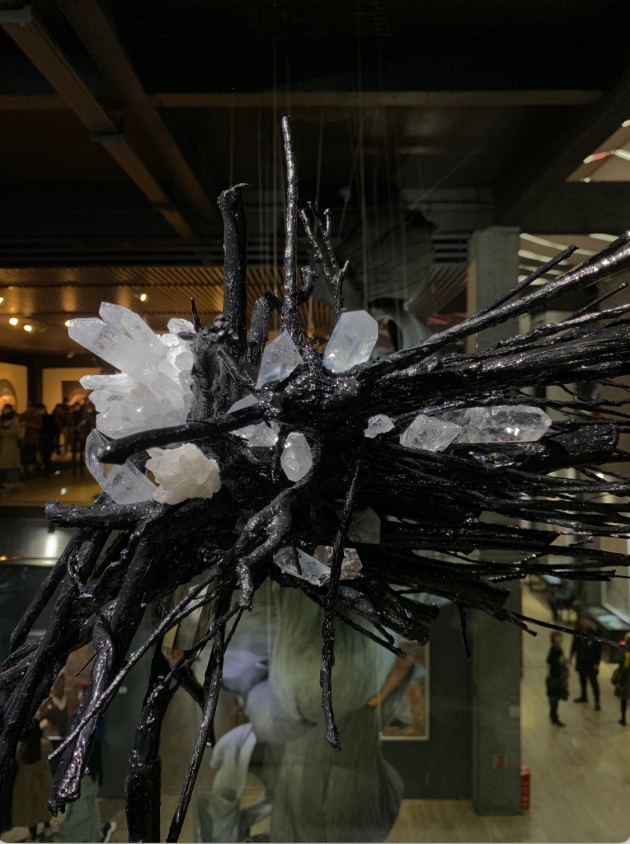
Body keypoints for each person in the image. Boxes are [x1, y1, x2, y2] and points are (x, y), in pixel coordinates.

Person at [11, 719, 53, 841]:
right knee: (43, 804)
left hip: (25, 781)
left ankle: (33, 834)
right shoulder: (45, 744)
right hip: (43, 778)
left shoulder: (18, 748)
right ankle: (47, 826)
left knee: (29, 807)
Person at [571, 616, 602, 710]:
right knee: (582, 680)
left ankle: (597, 702)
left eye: (585, 620)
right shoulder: (577, 631)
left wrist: (596, 663)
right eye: (581, 620)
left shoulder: (594, 633)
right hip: (581, 661)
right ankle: (584, 696)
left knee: (593, 682)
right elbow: (574, 644)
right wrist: (571, 655)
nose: (583, 622)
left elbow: (598, 650)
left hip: (591, 662)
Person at [546, 632, 569, 726]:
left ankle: (553, 715)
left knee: (554, 698)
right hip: (555, 677)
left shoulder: (557, 648)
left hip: (555, 677)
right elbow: (550, 661)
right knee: (554, 698)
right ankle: (554, 716)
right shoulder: (555, 649)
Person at [0, 404, 21, 487]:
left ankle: (14, 480)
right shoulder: (3, 420)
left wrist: (3, 432)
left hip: (12, 444)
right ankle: (9, 480)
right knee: (6, 464)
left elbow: (15, 432)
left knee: (11, 463)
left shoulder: (14, 420)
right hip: (4, 444)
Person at [19, 401, 42, 477]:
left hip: (33, 439)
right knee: (24, 454)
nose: (30, 409)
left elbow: (39, 427)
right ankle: (24, 469)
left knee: (32, 454)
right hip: (24, 438)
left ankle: (31, 469)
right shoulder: (23, 415)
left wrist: (29, 425)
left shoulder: (37, 416)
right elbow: (19, 424)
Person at [612, 631, 630, 726]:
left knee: (624, 699)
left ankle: (623, 718)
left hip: (625, 679)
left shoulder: (624, 653)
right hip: (626, 679)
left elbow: (617, 659)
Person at [37, 403, 58, 477]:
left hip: (48, 439)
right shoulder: (38, 419)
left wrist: (54, 439)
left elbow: (55, 428)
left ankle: (47, 470)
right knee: (42, 455)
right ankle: (46, 469)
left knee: (47, 455)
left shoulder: (49, 418)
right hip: (41, 438)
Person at [70, 401, 88, 475]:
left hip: (81, 435)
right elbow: (70, 424)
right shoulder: (72, 415)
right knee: (74, 453)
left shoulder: (83, 414)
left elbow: (87, 423)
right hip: (74, 435)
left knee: (81, 452)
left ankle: (81, 469)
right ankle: (74, 469)